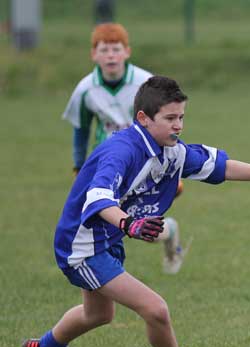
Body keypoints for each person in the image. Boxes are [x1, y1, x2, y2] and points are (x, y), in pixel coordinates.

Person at [20, 75, 250, 347]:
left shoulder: (171, 151)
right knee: (155, 309)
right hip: (82, 246)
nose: (179, 125)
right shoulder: (121, 151)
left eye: (181, 117)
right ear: (143, 118)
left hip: (108, 238)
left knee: (99, 314)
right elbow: (98, 199)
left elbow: (220, 167)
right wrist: (129, 224)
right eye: (170, 118)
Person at [62, 22, 186, 275]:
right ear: (93, 54)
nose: (110, 55)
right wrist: (78, 165)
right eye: (104, 50)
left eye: (116, 49)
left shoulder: (144, 82)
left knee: (135, 226)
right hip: (108, 166)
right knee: (113, 221)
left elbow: (170, 123)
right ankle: (105, 275)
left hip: (143, 163)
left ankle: (167, 232)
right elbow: (81, 130)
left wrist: (174, 167)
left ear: (127, 52)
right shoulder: (85, 89)